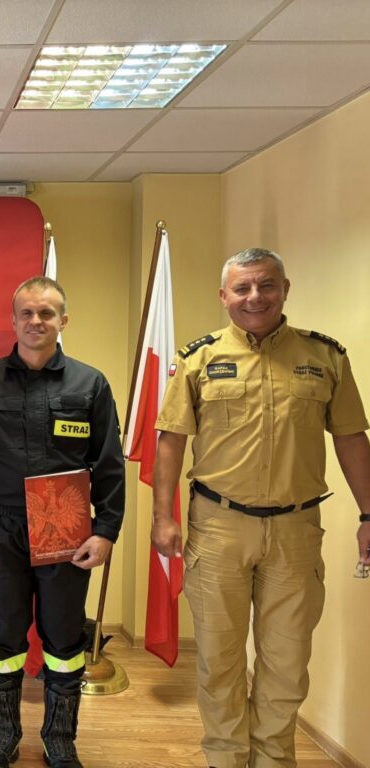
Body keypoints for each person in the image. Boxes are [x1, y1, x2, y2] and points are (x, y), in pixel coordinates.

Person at [151, 248, 370, 768]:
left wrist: (368, 515)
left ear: (285, 289)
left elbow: (351, 438)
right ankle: (225, 760)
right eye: (242, 288)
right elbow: (171, 440)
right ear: (223, 296)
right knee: (220, 663)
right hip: (218, 528)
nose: (255, 297)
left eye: (266, 285)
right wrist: (163, 517)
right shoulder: (199, 359)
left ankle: (273, 761)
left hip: (296, 531)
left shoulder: (326, 358)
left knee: (287, 665)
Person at [0, 276, 124, 768]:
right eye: (27, 313)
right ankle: (2, 735)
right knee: (5, 635)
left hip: (67, 528)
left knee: (64, 636)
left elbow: (109, 464)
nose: (36, 321)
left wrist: (105, 530)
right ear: (12, 321)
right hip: (3, 525)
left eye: (47, 313)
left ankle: (60, 739)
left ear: (63, 321)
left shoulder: (90, 384)